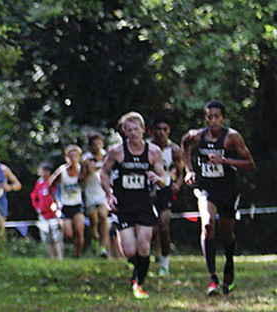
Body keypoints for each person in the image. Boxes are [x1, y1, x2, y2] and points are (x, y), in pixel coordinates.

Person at [181, 100, 255, 296]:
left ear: (224, 118)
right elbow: (184, 143)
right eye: (209, 117)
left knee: (227, 232)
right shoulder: (197, 136)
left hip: (227, 190)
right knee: (207, 225)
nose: (213, 121)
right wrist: (188, 170)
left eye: (217, 117)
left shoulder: (231, 138)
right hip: (206, 189)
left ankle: (229, 265)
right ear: (205, 118)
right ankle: (212, 278)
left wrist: (225, 160)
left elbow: (250, 164)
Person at [100, 112, 167, 299]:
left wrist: (157, 178)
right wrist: (109, 194)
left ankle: (139, 284)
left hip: (144, 204)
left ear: (143, 130)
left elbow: (164, 180)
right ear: (124, 133)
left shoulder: (154, 152)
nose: (133, 133)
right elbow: (103, 173)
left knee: (144, 247)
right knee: (129, 250)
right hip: (124, 205)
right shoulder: (117, 152)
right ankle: (136, 273)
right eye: (129, 130)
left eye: (136, 129)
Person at [148, 114, 185, 276]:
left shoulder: (174, 149)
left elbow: (181, 171)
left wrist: (177, 184)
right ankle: (138, 259)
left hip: (165, 191)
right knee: (149, 229)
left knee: (164, 227)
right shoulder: (145, 147)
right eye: (159, 129)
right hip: (146, 191)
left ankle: (165, 263)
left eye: (165, 129)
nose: (162, 132)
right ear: (152, 131)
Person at [52, 145, 85, 258]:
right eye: (71, 156)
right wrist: (55, 202)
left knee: (80, 231)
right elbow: (50, 184)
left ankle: (77, 255)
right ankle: (62, 227)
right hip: (65, 205)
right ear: (67, 158)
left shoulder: (81, 170)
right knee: (69, 234)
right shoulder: (62, 171)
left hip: (78, 205)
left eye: (75, 156)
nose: (73, 159)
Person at [80, 133, 110, 258]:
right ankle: (95, 237)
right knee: (94, 220)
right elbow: (80, 180)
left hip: (103, 191)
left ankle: (103, 248)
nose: (97, 147)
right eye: (94, 144)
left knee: (104, 216)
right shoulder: (86, 159)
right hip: (90, 192)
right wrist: (88, 172)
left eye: (99, 144)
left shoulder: (107, 156)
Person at [30, 161, 63, 260]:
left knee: (57, 237)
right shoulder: (39, 183)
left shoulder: (54, 182)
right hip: (43, 215)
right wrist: (37, 207)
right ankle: (51, 258)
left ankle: (60, 258)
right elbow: (34, 196)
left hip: (54, 214)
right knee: (46, 238)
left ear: (48, 172)